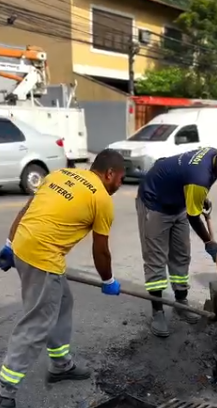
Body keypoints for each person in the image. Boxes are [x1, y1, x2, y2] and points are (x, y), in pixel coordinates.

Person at [0, 149, 124, 408]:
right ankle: (5, 390)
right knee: (36, 323)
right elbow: (100, 249)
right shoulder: (101, 198)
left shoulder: (61, 174)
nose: (120, 184)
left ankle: (60, 364)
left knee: (62, 302)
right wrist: (108, 280)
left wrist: (11, 244)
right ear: (110, 173)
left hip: (25, 245)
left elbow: (26, 210)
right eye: (120, 178)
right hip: (43, 258)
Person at [136, 144, 217, 337]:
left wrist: (200, 197)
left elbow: (193, 181)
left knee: (181, 255)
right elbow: (193, 217)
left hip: (177, 203)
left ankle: (181, 302)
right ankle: (158, 311)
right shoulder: (199, 177)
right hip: (154, 203)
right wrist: (208, 241)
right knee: (156, 259)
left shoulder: (213, 157)